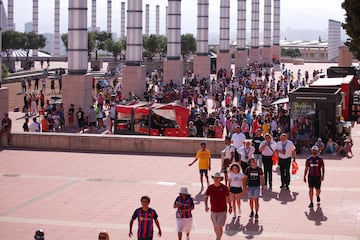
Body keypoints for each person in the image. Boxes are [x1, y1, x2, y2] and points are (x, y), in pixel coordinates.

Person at [204, 172, 232, 240]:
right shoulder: (210, 187)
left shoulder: (224, 188)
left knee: (219, 226)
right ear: (213, 178)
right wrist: (206, 206)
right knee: (215, 226)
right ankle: (218, 237)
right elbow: (206, 197)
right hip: (213, 210)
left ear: (220, 179)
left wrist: (230, 206)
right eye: (215, 178)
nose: (216, 179)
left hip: (222, 210)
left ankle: (218, 238)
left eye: (217, 178)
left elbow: (228, 197)